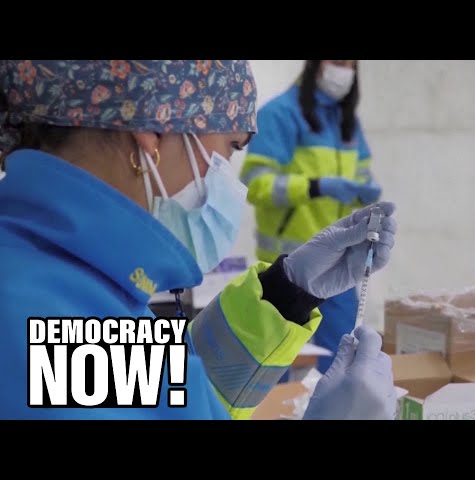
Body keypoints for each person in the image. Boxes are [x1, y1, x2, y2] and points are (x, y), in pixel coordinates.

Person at [0, 60, 398, 420]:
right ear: (154, 131)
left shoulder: (76, 282)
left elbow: (165, 398)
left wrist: (286, 293)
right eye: (230, 147)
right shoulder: (45, 319)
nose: (228, 178)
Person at [240, 60, 382, 373]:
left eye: (351, 64)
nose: (345, 71)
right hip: (288, 269)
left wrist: (365, 190)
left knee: (340, 365)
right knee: (274, 368)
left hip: (339, 267)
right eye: (337, 62)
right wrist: (315, 187)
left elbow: (361, 173)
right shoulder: (279, 115)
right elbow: (256, 185)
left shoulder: (345, 122)